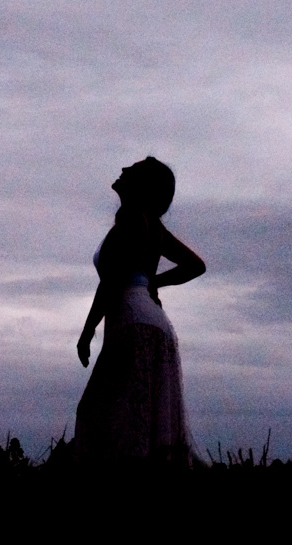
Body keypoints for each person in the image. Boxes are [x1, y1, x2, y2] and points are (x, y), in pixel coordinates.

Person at [74, 157, 205, 465]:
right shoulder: (151, 225)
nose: (122, 169)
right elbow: (194, 266)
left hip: (133, 319)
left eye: (131, 168)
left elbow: (111, 281)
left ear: (142, 184)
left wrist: (87, 329)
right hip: (151, 320)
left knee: (108, 414)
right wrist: (150, 283)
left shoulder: (133, 218)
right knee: (140, 416)